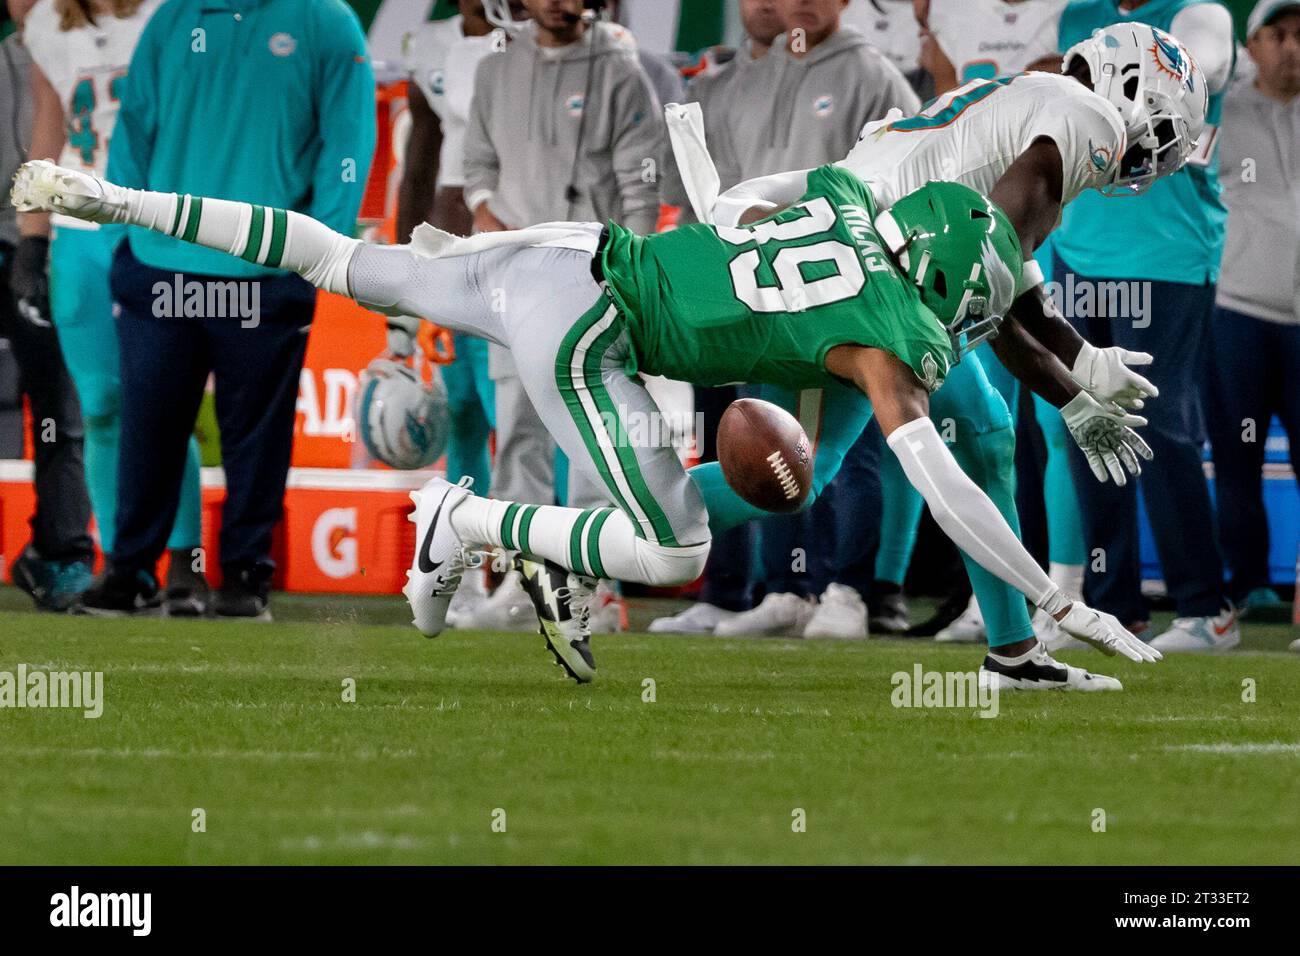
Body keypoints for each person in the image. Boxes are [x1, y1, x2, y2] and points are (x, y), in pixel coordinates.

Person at [13, 150, 1158, 692]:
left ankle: (103, 189)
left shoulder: (859, 196)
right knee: (673, 546)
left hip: (559, 248)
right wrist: (1059, 596)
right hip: (589, 324)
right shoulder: (891, 335)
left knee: (327, 254)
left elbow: (767, 196)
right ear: (949, 293)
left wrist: (111, 199)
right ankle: (460, 520)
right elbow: (947, 483)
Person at [673, 22, 1208, 659]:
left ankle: (1014, 651)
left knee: (944, 444)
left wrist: (1084, 362)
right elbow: (982, 283)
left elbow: (1010, 278)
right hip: (865, 283)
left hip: (859, 257)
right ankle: (593, 538)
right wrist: (1072, 394)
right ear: (1131, 90)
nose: (1141, 160)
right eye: (1158, 137)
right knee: (822, 468)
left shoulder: (1031, 100)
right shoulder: (1089, 118)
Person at [74, 0, 375, 619]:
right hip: (160, 264)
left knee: (255, 438)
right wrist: (120, 237)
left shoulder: (327, 21)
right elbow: (132, 132)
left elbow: (349, 142)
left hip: (265, 272)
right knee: (148, 427)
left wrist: (320, 251)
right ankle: (130, 572)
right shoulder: (173, 19)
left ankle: (243, 578)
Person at [464, 0, 664, 631]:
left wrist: (627, 284)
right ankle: (527, 583)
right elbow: (476, 166)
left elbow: (642, 191)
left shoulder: (623, 70)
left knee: (591, 442)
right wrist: (486, 213)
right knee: (518, 435)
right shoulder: (494, 66)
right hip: (512, 284)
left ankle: (592, 587)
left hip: (593, 284)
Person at [1051, 0, 1239, 653]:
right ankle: (1113, 608)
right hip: (1078, 250)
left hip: (1168, 257)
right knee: (1088, 422)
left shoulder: (1200, 13)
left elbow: (1202, 61)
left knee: (1160, 424)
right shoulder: (1077, 16)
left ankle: (1206, 609)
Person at [18, 0, 209, 614]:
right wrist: (32, 232)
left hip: (153, 223)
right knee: (99, 404)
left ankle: (185, 560)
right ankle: (126, 565)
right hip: (77, 230)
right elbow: (49, 122)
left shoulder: (167, 14)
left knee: (161, 396)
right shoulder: (49, 23)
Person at [649, 0, 788, 636]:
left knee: (786, 437)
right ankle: (727, 586)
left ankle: (798, 586)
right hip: (715, 284)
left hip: (791, 287)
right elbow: (672, 193)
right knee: (722, 431)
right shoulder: (709, 84)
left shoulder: (846, 74)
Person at [396, 0, 504, 626]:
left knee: (517, 419)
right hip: (449, 249)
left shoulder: (532, 38)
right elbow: (420, 165)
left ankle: (541, 572)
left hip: (513, 244)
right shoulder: (429, 44)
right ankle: (464, 574)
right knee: (464, 411)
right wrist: (409, 266)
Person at [0, 0, 95, 610]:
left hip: (61, 249)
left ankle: (61, 557)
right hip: (16, 245)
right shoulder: (9, 57)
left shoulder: (99, 52)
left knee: (63, 405)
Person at [1206, 0, 1300, 615]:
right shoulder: (1221, 113)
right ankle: (1247, 586)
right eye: (1279, 34)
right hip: (1235, 312)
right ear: (1251, 43)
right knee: (1237, 459)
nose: (1293, 47)